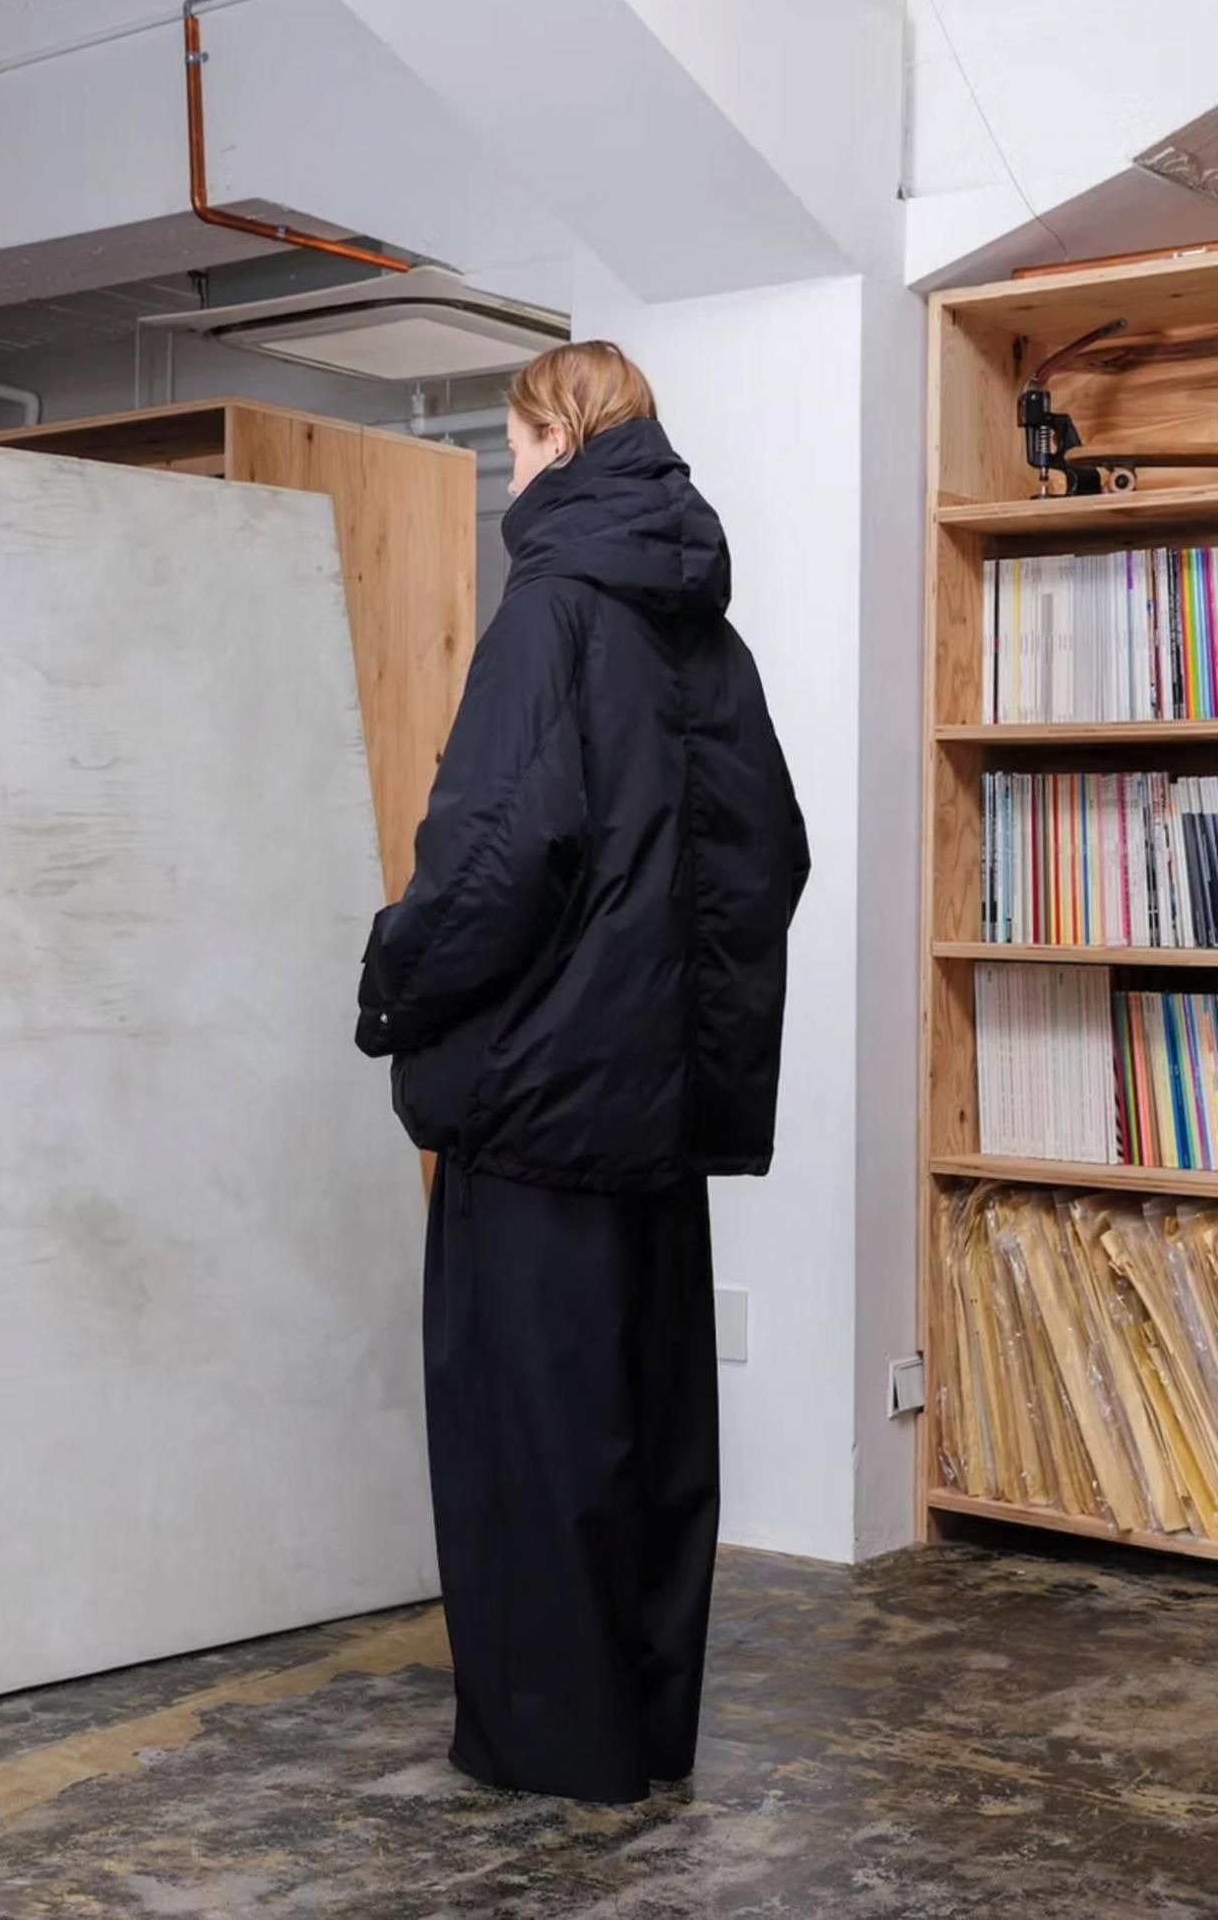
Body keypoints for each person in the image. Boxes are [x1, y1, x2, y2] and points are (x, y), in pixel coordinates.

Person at [356, 340, 810, 1805]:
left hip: (542, 1109)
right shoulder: (708, 638)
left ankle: (556, 1746)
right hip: (660, 1113)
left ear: (555, 437)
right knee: (653, 1432)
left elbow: (493, 858)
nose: (510, 470)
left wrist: (393, 983)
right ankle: (646, 1735)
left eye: (511, 441)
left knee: (530, 1439)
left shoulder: (547, 611)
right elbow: (770, 853)